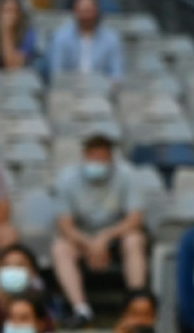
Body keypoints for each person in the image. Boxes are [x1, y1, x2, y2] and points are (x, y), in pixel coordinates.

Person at [52, 135, 148, 328]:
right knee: (60, 248)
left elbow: (135, 219)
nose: (98, 163)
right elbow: (65, 225)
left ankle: (136, 304)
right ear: (85, 157)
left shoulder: (128, 175)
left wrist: (105, 238)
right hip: (82, 238)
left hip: (117, 235)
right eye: (94, 158)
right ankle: (81, 310)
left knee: (135, 240)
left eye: (103, 158)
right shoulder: (67, 178)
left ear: (111, 158)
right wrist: (90, 244)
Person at [0, 245, 53, 333]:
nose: (13, 270)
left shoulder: (43, 313)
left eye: (19, 265)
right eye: (7, 265)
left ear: (33, 272)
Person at [47, 0, 124, 82]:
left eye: (89, 11)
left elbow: (117, 73)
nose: (86, 16)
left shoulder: (111, 39)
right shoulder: (61, 37)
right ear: (75, 11)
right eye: (83, 11)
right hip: (69, 87)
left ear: (97, 11)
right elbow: (56, 71)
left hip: (100, 87)